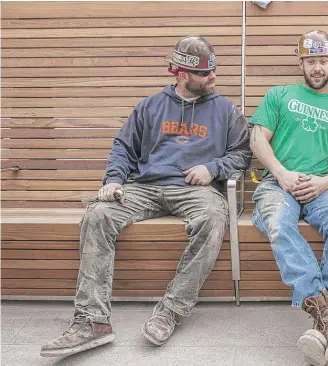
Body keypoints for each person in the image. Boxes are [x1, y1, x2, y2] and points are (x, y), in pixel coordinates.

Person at [40, 36, 252, 357]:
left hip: (196, 191)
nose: (213, 77)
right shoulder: (151, 106)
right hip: (146, 187)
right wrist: (112, 180)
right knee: (98, 214)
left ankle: (171, 309)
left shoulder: (226, 111)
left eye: (214, 70)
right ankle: (91, 321)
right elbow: (123, 147)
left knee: (213, 216)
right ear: (182, 75)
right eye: (206, 73)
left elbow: (241, 154)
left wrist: (212, 168)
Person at [249, 30, 328, 366]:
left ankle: (326, 320)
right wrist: (282, 173)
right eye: (311, 61)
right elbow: (258, 140)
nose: (317, 67)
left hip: (321, 186)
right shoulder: (279, 95)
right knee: (278, 223)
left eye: (322, 60)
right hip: (276, 183)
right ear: (301, 62)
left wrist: (323, 182)